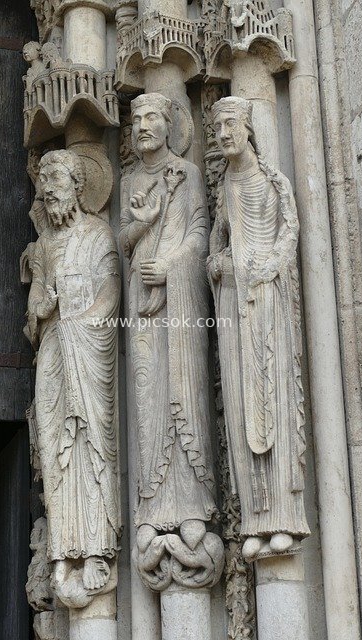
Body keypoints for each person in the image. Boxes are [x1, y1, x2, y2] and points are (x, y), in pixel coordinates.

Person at [208, 96, 310, 561]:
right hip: (233, 301)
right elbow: (216, 244)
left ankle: (285, 516)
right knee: (239, 398)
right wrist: (220, 264)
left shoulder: (273, 180)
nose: (223, 134)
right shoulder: (225, 187)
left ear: (248, 127)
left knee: (275, 398)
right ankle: (255, 515)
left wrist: (265, 267)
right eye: (217, 128)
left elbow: (290, 231)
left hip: (266, 299)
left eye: (230, 125)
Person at [119, 93, 218, 564]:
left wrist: (173, 265)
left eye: (151, 117)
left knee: (186, 391)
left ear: (168, 125)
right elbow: (122, 240)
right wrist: (143, 225)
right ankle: (151, 506)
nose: (142, 125)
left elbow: (200, 233)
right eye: (136, 119)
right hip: (142, 308)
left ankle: (192, 505)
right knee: (146, 398)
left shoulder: (189, 176)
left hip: (179, 308)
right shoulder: (131, 180)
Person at [26, 149, 121, 605]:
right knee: (53, 447)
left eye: (56, 180)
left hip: (86, 350)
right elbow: (36, 308)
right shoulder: (44, 245)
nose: (47, 189)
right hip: (54, 356)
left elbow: (110, 293)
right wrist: (43, 308)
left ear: (78, 186)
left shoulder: (99, 234)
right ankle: (63, 549)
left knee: (89, 445)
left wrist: (79, 321)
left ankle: (97, 546)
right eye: (44, 183)